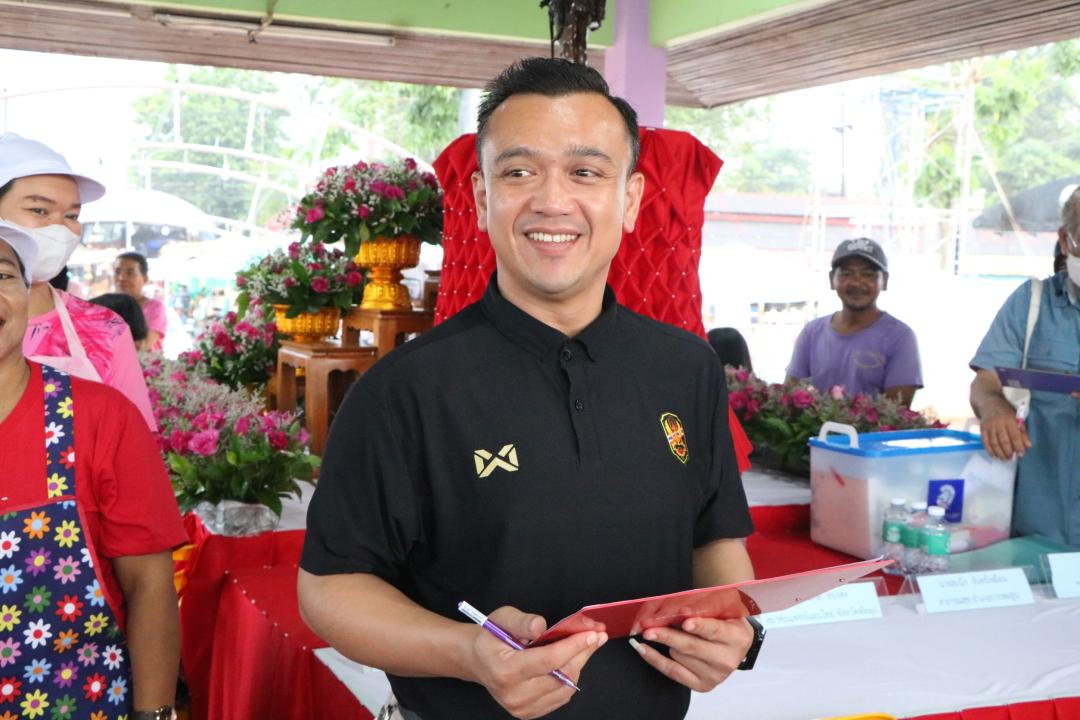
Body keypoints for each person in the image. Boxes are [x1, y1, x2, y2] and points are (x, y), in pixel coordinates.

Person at [298, 58, 757, 720]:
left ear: (630, 200)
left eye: (585, 172)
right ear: (482, 199)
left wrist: (730, 628)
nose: (552, 200)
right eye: (519, 172)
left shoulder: (687, 367)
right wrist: (468, 653)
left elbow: (715, 540)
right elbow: (330, 588)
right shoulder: (405, 388)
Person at [0, 221, 186, 720]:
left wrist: (155, 714)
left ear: (29, 295)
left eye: (2, 275)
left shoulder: (101, 417)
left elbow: (149, 586)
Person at [0, 132, 157, 429]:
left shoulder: (105, 331)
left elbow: (135, 441)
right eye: (39, 210)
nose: (59, 228)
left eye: (71, 215)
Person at [969, 185, 1080, 547]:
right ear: (1066, 240)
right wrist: (994, 408)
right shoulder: (1030, 303)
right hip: (1034, 526)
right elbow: (986, 381)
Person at [786, 237, 922, 406]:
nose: (857, 282)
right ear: (831, 279)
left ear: (885, 281)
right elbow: (790, 396)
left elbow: (896, 412)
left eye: (868, 274)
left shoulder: (900, 337)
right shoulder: (812, 332)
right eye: (846, 273)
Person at [113, 251, 166, 351]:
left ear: (145, 279)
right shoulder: (106, 307)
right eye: (117, 272)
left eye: (130, 273)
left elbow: (144, 344)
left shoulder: (154, 308)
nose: (121, 278)